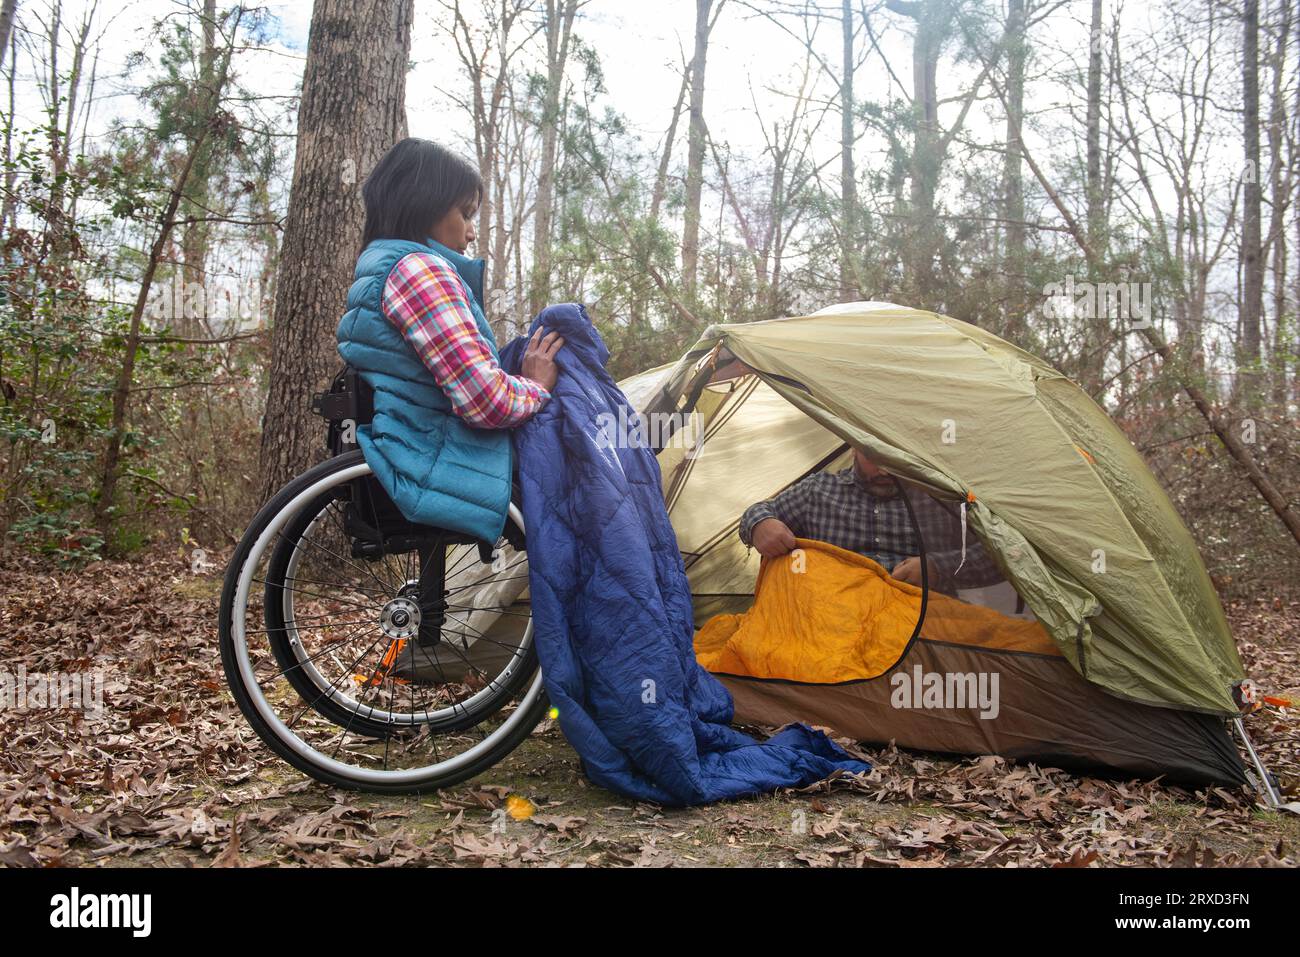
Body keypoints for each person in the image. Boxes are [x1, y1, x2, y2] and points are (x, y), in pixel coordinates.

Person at [336, 137, 564, 682]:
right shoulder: (420, 271)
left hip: (425, 441)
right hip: (448, 452)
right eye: (463, 212)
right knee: (604, 488)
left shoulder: (384, 266)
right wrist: (537, 386)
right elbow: (483, 400)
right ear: (423, 203)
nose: (471, 230)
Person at [738, 448, 1001, 596]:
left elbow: (1003, 555)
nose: (885, 471)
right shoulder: (818, 491)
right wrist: (761, 524)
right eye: (874, 457)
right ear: (854, 447)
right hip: (834, 624)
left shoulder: (940, 498)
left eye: (894, 459)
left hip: (925, 630)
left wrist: (937, 567)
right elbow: (758, 511)